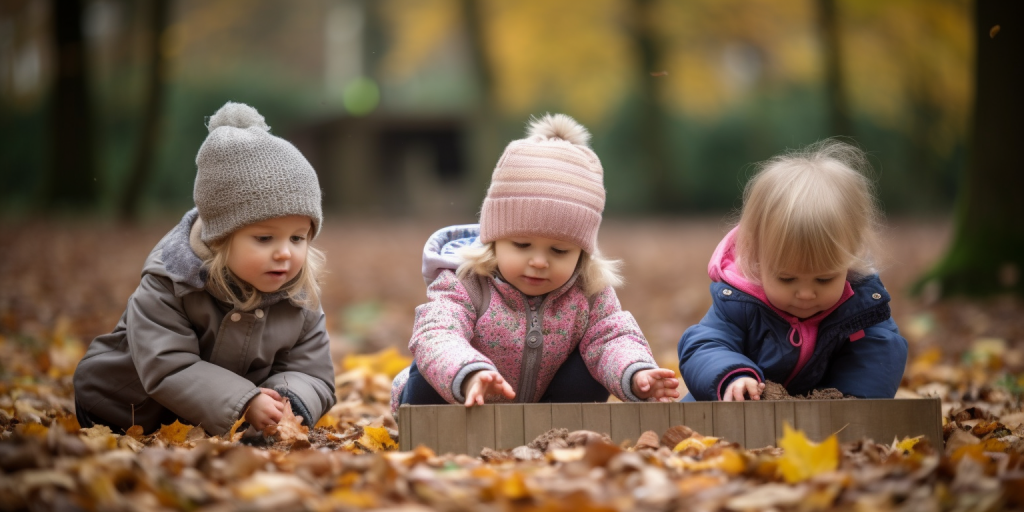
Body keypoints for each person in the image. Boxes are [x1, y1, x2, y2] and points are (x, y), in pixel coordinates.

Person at [73, 102, 336, 435]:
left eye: (298, 238)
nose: (284, 253)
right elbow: (167, 366)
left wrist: (289, 399)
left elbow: (313, 372)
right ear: (221, 238)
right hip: (120, 413)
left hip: (212, 427)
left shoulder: (299, 296)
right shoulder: (171, 282)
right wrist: (244, 401)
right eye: (265, 238)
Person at [390, 113, 679, 416]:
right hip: (461, 402)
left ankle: (558, 432)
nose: (539, 262)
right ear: (494, 238)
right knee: (427, 374)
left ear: (581, 254)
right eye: (522, 245)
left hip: (541, 408)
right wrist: (470, 373)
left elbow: (612, 337)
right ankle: (429, 419)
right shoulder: (466, 281)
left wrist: (635, 373)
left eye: (559, 250)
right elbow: (437, 333)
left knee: (591, 367)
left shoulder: (587, 292)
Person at [677, 139, 908, 401]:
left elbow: (879, 352)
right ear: (757, 256)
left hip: (821, 417)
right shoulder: (740, 302)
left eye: (824, 278)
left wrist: (851, 402)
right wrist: (733, 377)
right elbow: (705, 344)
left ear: (850, 255)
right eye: (787, 279)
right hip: (739, 410)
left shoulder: (861, 306)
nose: (806, 293)